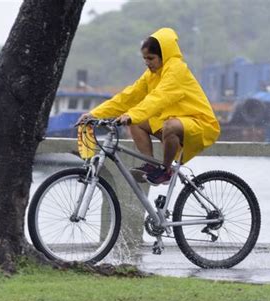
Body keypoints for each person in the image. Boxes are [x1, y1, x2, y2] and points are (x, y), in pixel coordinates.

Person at [77, 27, 220, 186]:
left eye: (150, 58)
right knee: (138, 123)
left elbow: (158, 98)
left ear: (163, 55)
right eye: (145, 59)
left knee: (167, 125)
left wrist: (132, 115)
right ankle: (152, 166)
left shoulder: (177, 70)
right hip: (175, 122)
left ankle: (165, 171)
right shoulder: (151, 74)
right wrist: (94, 114)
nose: (147, 63)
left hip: (200, 124)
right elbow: (128, 97)